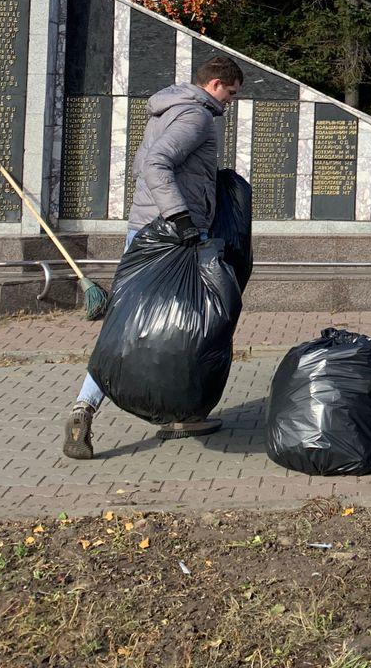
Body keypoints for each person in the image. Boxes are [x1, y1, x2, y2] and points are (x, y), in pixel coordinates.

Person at [62, 56, 244, 460]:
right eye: (231, 93)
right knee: (192, 323)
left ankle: (103, 408)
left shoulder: (167, 109)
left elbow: (148, 164)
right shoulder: (196, 118)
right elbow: (157, 165)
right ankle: (103, 406)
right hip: (171, 237)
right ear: (215, 85)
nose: (230, 102)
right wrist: (180, 218)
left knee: (129, 328)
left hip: (143, 231)